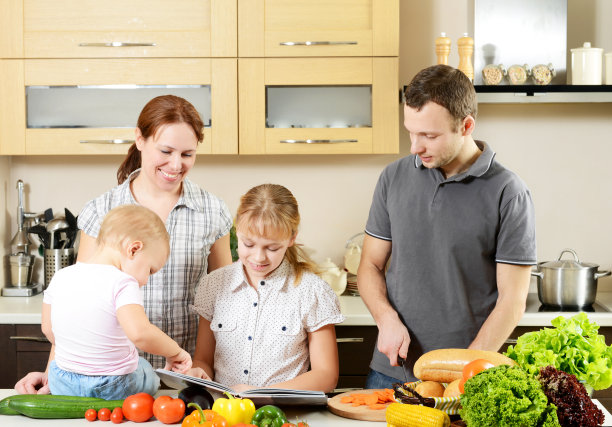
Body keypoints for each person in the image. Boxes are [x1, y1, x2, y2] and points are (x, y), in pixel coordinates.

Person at [15, 94, 232, 394]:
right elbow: (77, 307)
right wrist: (56, 373)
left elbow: (224, 303)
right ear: (139, 139)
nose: (176, 164)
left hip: (188, 375)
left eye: (187, 154)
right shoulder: (101, 210)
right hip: (113, 379)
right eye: (166, 150)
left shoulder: (213, 211)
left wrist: (202, 365)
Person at [358, 64, 536, 389]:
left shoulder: (508, 192)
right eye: (410, 132)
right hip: (390, 372)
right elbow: (369, 264)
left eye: (429, 135)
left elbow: (512, 300)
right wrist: (386, 318)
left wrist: (465, 371)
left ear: (465, 125)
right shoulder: (392, 178)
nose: (415, 147)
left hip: (467, 377)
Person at [190, 184, 345, 393]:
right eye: (248, 244)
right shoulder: (214, 285)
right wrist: (198, 372)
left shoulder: (312, 291)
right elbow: (203, 360)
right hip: (225, 416)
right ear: (237, 232)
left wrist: (259, 395)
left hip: (283, 416)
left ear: (291, 238)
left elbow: (326, 376)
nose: (258, 257)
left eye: (272, 248)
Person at [43, 205, 192, 399]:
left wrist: (82, 353)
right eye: (150, 270)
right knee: (147, 371)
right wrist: (176, 353)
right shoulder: (123, 282)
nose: (146, 280)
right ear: (134, 249)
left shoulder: (61, 276)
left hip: (62, 384)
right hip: (113, 387)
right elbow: (140, 334)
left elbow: (47, 328)